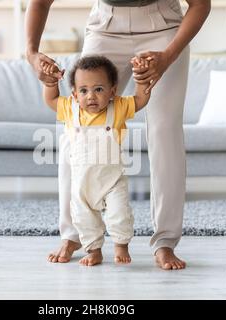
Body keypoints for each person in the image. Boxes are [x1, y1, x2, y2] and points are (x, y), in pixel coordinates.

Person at [26, 0, 211, 270]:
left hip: (164, 30)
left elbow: (200, 4)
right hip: (105, 28)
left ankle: (165, 241)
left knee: (165, 130)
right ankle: (73, 235)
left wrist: (167, 57)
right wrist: (31, 53)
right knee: (77, 129)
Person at [42, 55, 151, 266]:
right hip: (82, 184)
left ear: (112, 91)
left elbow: (140, 100)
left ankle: (121, 246)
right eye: (83, 90)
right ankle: (94, 251)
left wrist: (142, 79)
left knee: (119, 214)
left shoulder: (117, 107)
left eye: (99, 89)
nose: (91, 96)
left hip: (112, 181)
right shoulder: (70, 109)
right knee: (84, 218)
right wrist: (50, 82)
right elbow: (51, 99)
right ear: (74, 94)